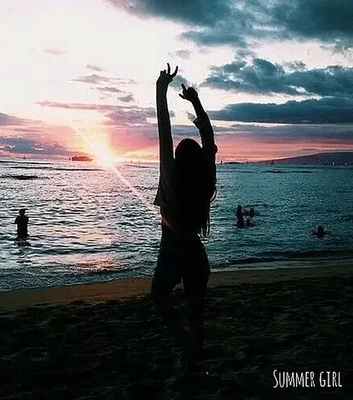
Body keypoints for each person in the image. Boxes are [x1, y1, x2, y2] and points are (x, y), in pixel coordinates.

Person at [151, 63, 217, 379]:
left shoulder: (171, 177)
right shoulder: (206, 180)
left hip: (173, 254)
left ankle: (187, 350)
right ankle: (192, 363)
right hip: (196, 256)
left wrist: (161, 89)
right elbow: (209, 136)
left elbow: (165, 130)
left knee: (159, 297)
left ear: (177, 159)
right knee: (196, 315)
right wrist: (195, 101)